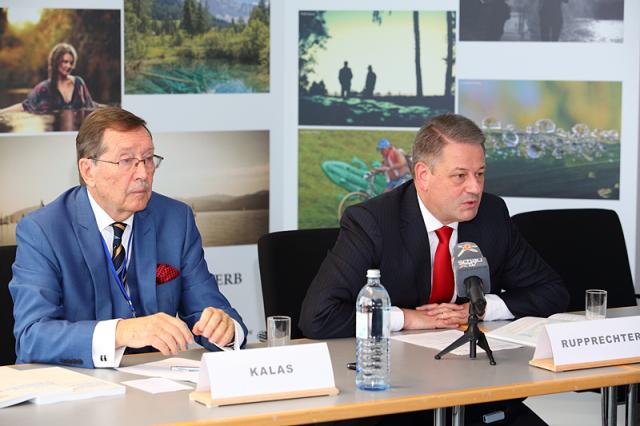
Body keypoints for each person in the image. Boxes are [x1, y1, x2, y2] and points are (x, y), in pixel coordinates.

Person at [300, 113, 568, 424]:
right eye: (460, 176)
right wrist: (407, 318)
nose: (475, 188)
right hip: (394, 394)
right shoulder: (372, 222)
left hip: (473, 386)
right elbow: (318, 316)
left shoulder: (491, 215)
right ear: (423, 175)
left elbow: (552, 291)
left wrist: (481, 309)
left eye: (480, 174)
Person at [9, 107, 247, 368]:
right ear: (88, 170)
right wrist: (123, 332)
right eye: (126, 161)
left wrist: (226, 328)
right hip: (76, 388)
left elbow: (208, 307)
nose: (143, 174)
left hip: (158, 387)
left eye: (147, 159)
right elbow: (32, 336)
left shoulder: (176, 220)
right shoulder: (43, 230)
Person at [0, 43, 96, 114]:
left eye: (71, 63)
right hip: (54, 134)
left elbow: (91, 105)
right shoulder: (44, 88)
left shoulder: (79, 83)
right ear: (56, 62)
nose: (69, 66)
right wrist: (1, 112)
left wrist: (109, 111)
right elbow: (24, 106)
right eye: (65, 62)